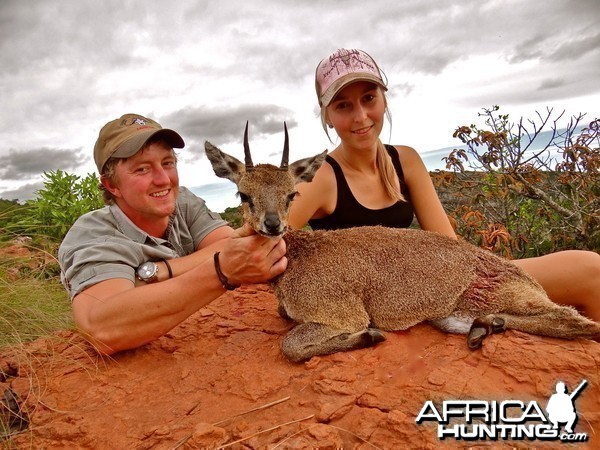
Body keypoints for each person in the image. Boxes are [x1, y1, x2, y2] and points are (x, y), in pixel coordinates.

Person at [288, 48, 600, 321]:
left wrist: (489, 272)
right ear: (327, 116)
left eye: (368, 98)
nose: (360, 116)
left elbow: (448, 244)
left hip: (442, 278)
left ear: (383, 99)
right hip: (397, 299)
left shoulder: (404, 160)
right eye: (343, 106)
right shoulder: (319, 177)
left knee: (589, 269)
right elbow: (260, 235)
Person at [58, 114, 287, 355]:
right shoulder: (92, 235)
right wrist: (221, 271)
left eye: (167, 163)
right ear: (111, 185)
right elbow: (102, 329)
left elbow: (236, 246)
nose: (163, 179)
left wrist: (156, 273)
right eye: (142, 169)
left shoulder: (182, 201)